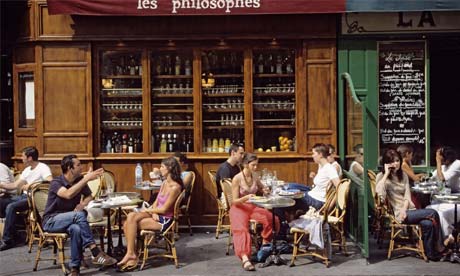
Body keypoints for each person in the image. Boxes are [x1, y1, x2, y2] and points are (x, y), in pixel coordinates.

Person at [42, 155, 116, 275]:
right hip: (52, 221)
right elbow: (68, 194)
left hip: (71, 220)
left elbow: (89, 196)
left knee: (76, 229)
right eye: (78, 165)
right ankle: (94, 250)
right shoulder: (56, 182)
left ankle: (74, 269)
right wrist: (86, 179)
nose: (81, 167)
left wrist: (83, 204)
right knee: (80, 215)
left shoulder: (78, 180)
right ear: (69, 168)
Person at [376, 149, 445, 261]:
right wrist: (386, 174)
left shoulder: (403, 175)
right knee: (433, 212)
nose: (396, 164)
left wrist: (404, 208)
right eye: (392, 161)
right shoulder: (381, 177)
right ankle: (439, 246)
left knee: (427, 224)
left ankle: (431, 254)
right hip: (398, 215)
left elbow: (407, 196)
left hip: (408, 211)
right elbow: (380, 194)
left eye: (397, 160)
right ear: (386, 163)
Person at [117, 156, 183, 272]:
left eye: (162, 166)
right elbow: (157, 203)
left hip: (165, 220)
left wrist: (148, 211)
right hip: (156, 213)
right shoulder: (164, 184)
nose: (160, 169)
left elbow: (164, 210)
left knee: (129, 224)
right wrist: (152, 211)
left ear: (170, 168)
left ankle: (132, 254)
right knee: (131, 216)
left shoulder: (175, 187)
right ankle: (131, 253)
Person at [229, 153, 278, 271]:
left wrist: (265, 190)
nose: (256, 168)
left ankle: (265, 244)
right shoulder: (237, 178)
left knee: (272, 218)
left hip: (252, 206)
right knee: (241, 229)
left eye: (257, 165)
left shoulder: (255, 176)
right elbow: (234, 201)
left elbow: (263, 188)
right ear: (245, 164)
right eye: (253, 165)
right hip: (239, 208)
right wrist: (247, 197)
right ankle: (245, 258)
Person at [0, 146, 52, 251]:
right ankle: (16, 235)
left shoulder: (43, 167)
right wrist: (1, 185)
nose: (21, 158)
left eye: (23, 156)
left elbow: (50, 181)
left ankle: (7, 240)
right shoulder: (27, 170)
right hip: (23, 197)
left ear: (30, 158)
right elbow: (14, 185)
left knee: (11, 206)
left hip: (34, 198)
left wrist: (31, 185)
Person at [296, 143, 340, 212]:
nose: (312, 156)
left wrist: (329, 206)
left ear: (320, 155)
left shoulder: (329, 168)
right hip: (312, 196)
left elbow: (340, 187)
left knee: (288, 198)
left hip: (317, 201)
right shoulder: (322, 166)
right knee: (290, 190)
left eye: (313, 153)